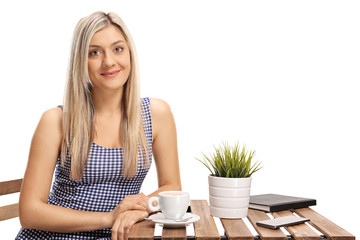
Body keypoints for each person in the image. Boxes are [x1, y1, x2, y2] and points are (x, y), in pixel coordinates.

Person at [16, 11, 181, 240]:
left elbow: (172, 186)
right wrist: (109, 217)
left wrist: (140, 209)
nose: (109, 62)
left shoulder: (155, 114)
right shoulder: (56, 121)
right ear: (80, 62)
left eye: (118, 49)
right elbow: (30, 213)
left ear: (130, 53)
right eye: (94, 52)